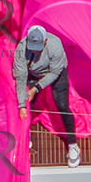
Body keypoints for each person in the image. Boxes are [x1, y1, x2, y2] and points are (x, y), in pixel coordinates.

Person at [14, 24, 80, 167]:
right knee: (24, 104)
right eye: (31, 48)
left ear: (45, 42)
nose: (34, 51)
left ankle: (73, 144)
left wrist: (36, 88)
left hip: (56, 73)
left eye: (37, 48)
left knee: (62, 105)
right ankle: (26, 136)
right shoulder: (21, 48)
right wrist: (21, 104)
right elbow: (20, 76)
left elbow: (55, 72)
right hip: (33, 73)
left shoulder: (55, 45)